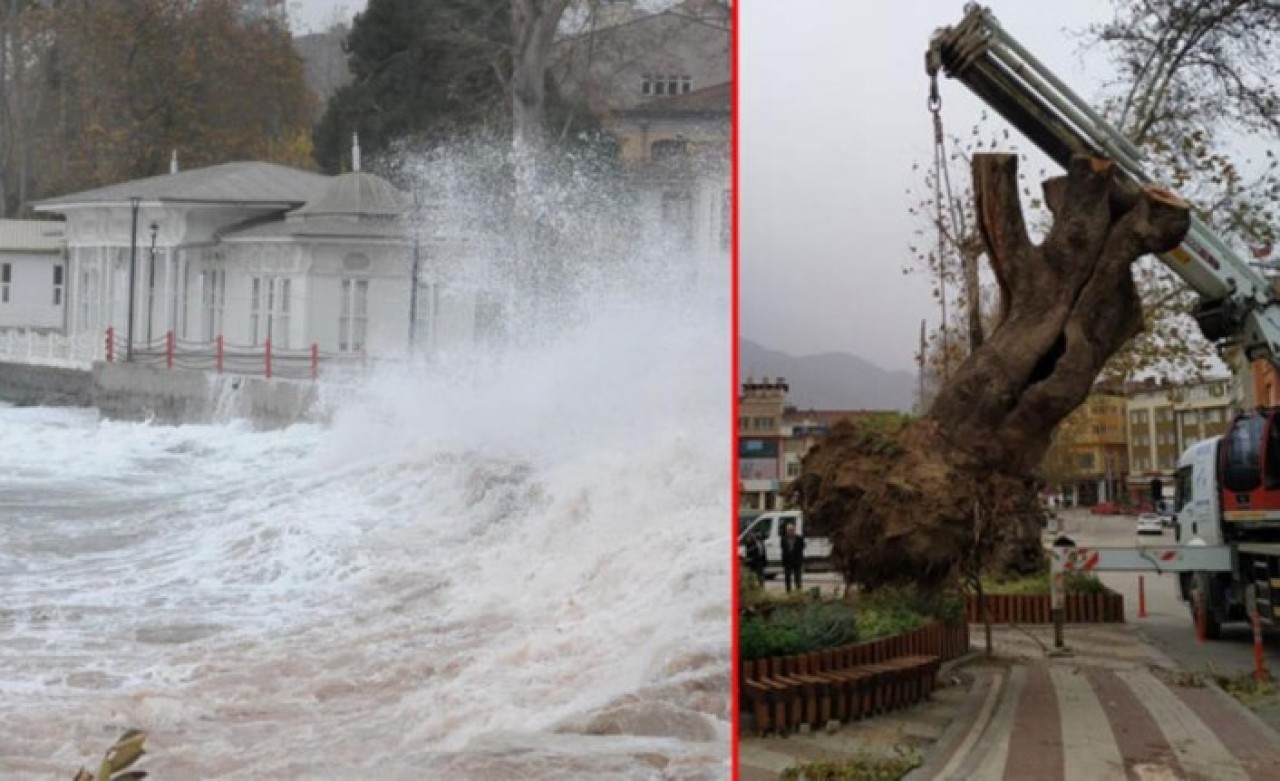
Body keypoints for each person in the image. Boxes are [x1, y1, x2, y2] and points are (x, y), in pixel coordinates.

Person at [780, 521, 806, 593]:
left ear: (794, 530)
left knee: (797, 578)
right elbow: (783, 549)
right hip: (787, 561)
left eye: (792, 530)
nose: (790, 531)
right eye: (789, 530)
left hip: (797, 561)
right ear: (786, 530)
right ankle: (788, 592)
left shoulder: (799, 538)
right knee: (787, 578)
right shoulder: (783, 539)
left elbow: (802, 547)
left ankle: (798, 591)